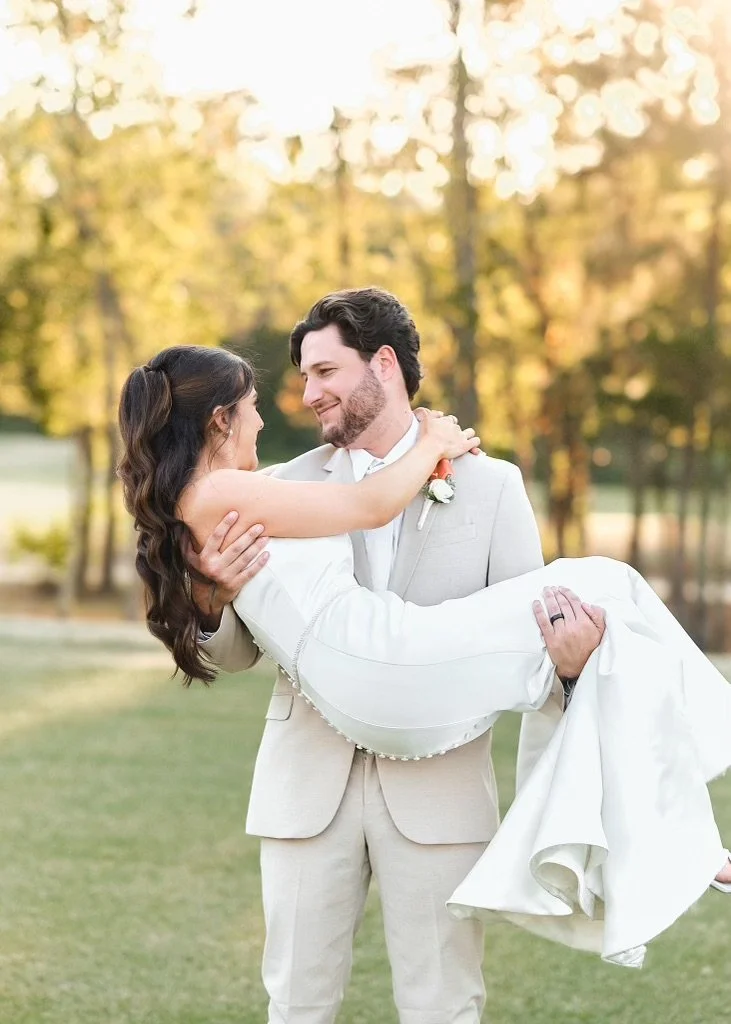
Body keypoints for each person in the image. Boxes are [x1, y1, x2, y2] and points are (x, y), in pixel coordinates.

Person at [117, 312, 731, 994]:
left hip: (436, 783)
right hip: (318, 771)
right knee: (296, 997)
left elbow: (524, 640)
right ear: (220, 421)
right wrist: (208, 603)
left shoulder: (490, 486)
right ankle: (688, 810)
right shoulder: (272, 482)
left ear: (382, 364)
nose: (304, 397)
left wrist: (570, 663)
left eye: (324, 372)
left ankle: (679, 829)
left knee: (443, 1001)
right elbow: (239, 646)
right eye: (289, 385)